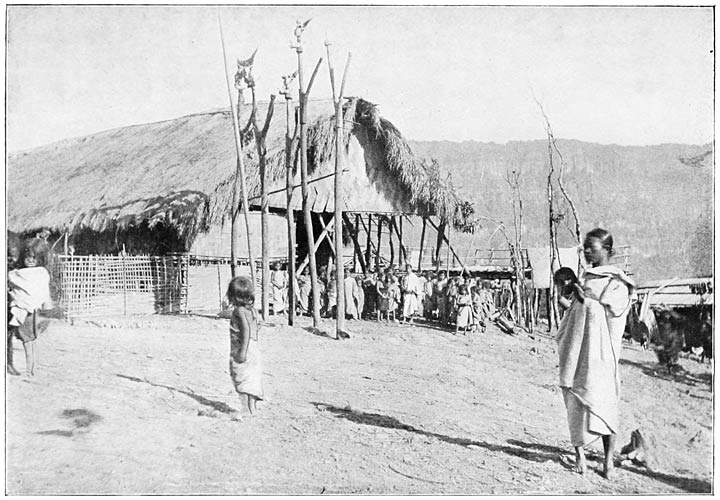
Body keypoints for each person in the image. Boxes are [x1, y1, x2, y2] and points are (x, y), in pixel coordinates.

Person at [556, 228, 635, 479]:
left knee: (606, 404)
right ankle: (580, 454)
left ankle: (608, 461)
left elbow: (614, 318)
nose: (586, 251)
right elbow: (575, 315)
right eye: (585, 246)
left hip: (603, 356)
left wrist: (587, 302)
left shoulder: (617, 283)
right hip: (579, 353)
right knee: (576, 401)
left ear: (607, 250)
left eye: (591, 247)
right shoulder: (586, 277)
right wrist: (573, 304)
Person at [7, 238, 52, 377]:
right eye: (28, 257)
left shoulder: (41, 273)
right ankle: (27, 368)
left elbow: (41, 292)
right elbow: (14, 284)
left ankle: (31, 369)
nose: (31, 260)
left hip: (31, 311)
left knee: (30, 340)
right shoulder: (18, 273)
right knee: (24, 340)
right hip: (19, 309)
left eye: (34, 257)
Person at [227, 276, 264, 415]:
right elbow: (256, 326)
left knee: (240, 375)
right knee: (252, 378)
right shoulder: (252, 310)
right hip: (254, 347)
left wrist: (242, 351)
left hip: (243, 346)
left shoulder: (238, 311)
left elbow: (246, 330)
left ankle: (245, 409)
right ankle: (252, 408)